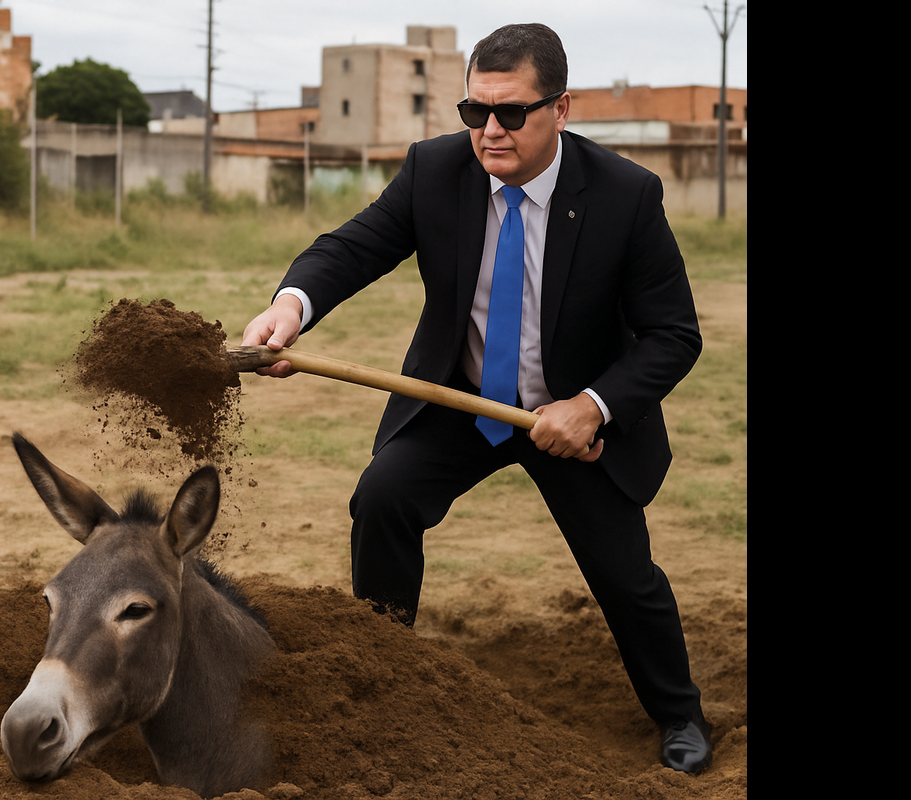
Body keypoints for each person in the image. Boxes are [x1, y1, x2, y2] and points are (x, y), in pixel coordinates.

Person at [241, 23, 711, 775]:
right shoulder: (434, 171)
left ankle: (678, 712)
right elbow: (353, 246)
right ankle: (381, 681)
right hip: (460, 401)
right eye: (474, 111)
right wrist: (292, 305)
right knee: (383, 499)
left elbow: (673, 335)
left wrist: (591, 405)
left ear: (563, 108)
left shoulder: (626, 196)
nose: (489, 131)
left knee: (626, 574)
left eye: (511, 113)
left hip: (572, 420)